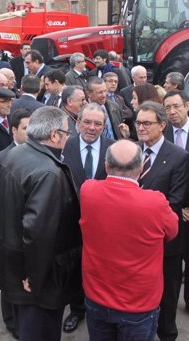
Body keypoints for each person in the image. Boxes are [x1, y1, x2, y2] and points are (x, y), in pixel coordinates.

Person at [0, 107, 81, 341]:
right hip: (38, 280)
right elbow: (38, 232)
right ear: (54, 135)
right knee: (40, 331)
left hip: (14, 265)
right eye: (67, 133)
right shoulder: (49, 173)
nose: (68, 138)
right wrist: (35, 277)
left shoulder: (16, 154)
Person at [80, 140, 179, 341]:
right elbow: (172, 232)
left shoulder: (88, 190)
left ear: (106, 166)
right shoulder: (155, 202)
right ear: (142, 168)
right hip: (138, 304)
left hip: (96, 296)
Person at [132, 101, 189, 341]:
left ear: (162, 125)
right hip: (132, 241)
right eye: (138, 122)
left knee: (166, 293)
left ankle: (166, 333)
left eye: (147, 123)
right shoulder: (130, 150)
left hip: (164, 243)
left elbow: (174, 201)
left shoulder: (178, 157)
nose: (141, 128)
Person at [60, 103, 114, 334]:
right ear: (77, 122)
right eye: (87, 122)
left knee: (101, 269)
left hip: (104, 224)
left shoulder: (114, 149)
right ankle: (77, 310)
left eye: (98, 124)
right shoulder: (64, 146)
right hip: (71, 221)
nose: (92, 128)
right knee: (74, 267)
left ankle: (100, 309)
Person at [0, 108, 32, 340]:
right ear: (14, 130)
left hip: (29, 236)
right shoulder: (0, 160)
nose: (31, 134)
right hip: (6, 235)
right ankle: (12, 322)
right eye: (25, 129)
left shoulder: (40, 156)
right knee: (9, 282)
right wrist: (1, 222)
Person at [163, 89, 189, 323]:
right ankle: (168, 306)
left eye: (176, 106)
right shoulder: (162, 131)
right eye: (167, 108)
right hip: (170, 212)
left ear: (187, 106)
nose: (172, 112)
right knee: (172, 265)